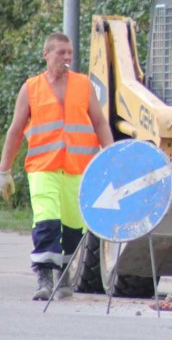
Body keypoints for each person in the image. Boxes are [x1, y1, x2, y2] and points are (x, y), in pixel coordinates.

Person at [0, 33, 113, 300]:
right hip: (43, 167)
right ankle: (44, 276)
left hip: (77, 168)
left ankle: (63, 275)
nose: (67, 57)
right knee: (46, 219)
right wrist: (4, 170)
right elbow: (15, 131)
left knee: (74, 227)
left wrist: (110, 158)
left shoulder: (84, 86)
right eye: (61, 52)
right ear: (46, 55)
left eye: (70, 52)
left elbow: (99, 123)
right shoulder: (31, 89)